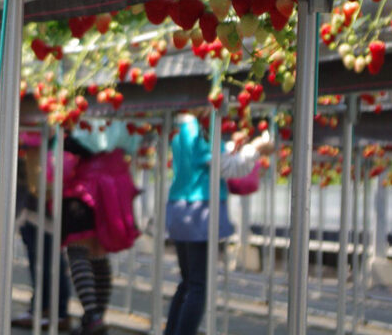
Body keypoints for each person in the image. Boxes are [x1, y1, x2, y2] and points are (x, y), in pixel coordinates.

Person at [163, 113, 273, 335]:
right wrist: (255, 148)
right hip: (199, 213)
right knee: (198, 285)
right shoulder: (199, 136)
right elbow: (231, 168)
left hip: (179, 210)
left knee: (187, 282)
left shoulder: (181, 134)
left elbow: (212, 161)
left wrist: (231, 147)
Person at [52, 121, 141, 335]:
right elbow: (133, 142)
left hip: (87, 183)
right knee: (98, 253)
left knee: (78, 250)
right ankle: (96, 317)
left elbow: (78, 143)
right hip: (116, 182)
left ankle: (92, 316)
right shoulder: (128, 110)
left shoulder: (88, 106)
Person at [12, 128, 72, 331]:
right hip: (37, 209)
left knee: (47, 261)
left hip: (43, 210)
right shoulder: (45, 138)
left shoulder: (44, 136)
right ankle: (44, 308)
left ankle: (55, 311)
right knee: (42, 260)